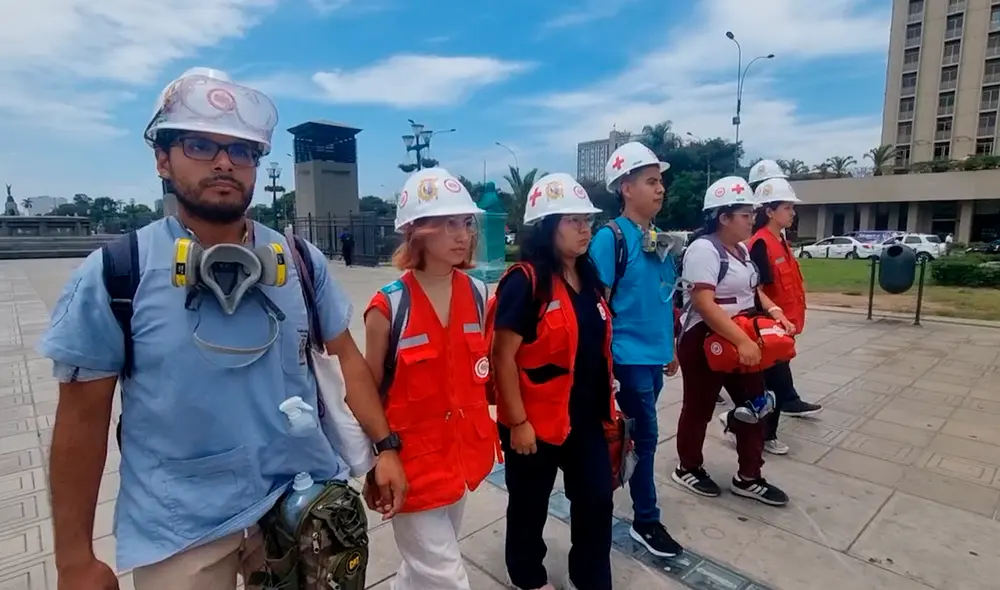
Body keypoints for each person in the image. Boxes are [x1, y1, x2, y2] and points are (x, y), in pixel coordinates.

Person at [38, 67, 407, 590]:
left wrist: (385, 447)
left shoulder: (299, 261)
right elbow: (80, 421)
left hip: (298, 509)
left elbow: (347, 359)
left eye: (242, 151)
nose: (224, 162)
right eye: (199, 144)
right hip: (180, 531)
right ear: (163, 158)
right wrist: (74, 556)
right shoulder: (119, 274)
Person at [362, 167, 499, 590]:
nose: (462, 235)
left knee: (423, 570)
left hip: (460, 460)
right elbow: (365, 393)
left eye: (465, 223)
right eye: (447, 224)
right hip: (411, 469)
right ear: (417, 231)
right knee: (447, 579)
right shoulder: (389, 307)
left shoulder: (477, 295)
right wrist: (374, 460)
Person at [493, 173, 615, 590]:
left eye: (587, 221)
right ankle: (528, 577)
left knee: (597, 501)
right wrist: (517, 421)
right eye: (573, 221)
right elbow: (502, 356)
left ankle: (591, 577)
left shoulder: (591, 280)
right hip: (535, 423)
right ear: (546, 227)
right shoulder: (525, 282)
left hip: (584, 420)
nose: (585, 229)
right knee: (529, 507)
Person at [588, 142, 683, 557]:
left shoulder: (657, 238)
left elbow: (666, 298)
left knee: (634, 440)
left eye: (660, 181)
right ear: (626, 188)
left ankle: (612, 498)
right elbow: (598, 306)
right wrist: (602, 366)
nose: (660, 189)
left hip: (653, 356)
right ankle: (646, 519)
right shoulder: (611, 239)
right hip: (625, 360)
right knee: (644, 437)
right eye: (651, 181)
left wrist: (672, 346)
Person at [673, 176, 791, 507]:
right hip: (704, 339)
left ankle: (749, 476)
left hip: (741, 336)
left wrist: (775, 310)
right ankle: (688, 467)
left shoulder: (740, 249)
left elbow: (752, 290)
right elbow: (704, 303)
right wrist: (742, 341)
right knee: (699, 407)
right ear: (723, 217)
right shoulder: (703, 249)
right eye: (745, 214)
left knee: (757, 404)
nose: (752, 219)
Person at [738, 178, 821, 456]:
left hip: (783, 326)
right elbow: (757, 290)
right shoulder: (760, 244)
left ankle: (750, 427)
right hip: (769, 328)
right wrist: (774, 316)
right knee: (774, 385)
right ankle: (757, 431)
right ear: (770, 211)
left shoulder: (780, 242)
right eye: (787, 207)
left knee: (771, 386)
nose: (792, 213)